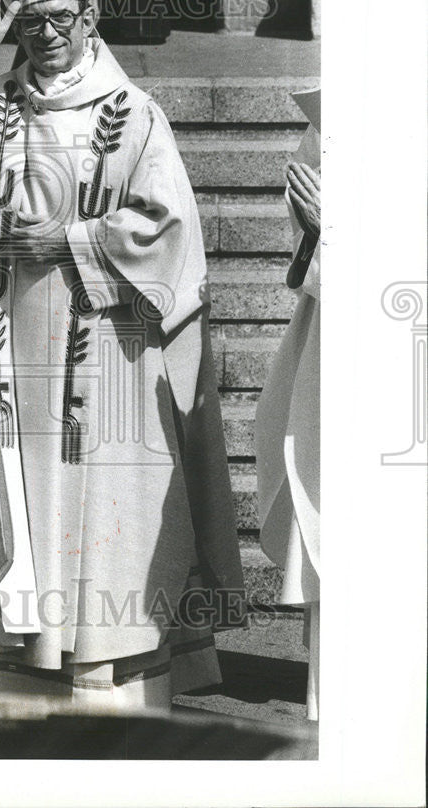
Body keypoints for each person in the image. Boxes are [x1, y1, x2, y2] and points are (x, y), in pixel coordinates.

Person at [0, 0, 245, 707]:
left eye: (61, 17)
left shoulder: (131, 112)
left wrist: (71, 240)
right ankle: (24, 680)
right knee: (30, 507)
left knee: (105, 512)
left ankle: (109, 682)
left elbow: (170, 229)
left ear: (90, 14)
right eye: (31, 22)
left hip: (109, 354)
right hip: (14, 359)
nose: (48, 34)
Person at [255, 88, 320, 720]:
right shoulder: (330, 114)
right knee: (324, 499)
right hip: (330, 345)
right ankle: (331, 684)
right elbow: (302, 246)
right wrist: (314, 228)